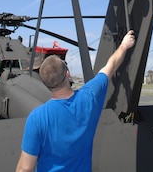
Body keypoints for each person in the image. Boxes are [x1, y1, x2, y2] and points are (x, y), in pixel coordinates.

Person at [15, 30, 135, 172]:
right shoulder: (89, 97)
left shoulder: (36, 118)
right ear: (67, 74)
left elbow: (24, 169)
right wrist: (124, 45)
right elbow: (111, 66)